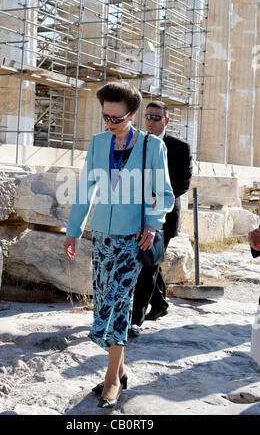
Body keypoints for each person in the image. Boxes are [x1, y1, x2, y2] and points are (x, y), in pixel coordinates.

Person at [63, 83, 174, 408]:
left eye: (116, 117)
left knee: (118, 303)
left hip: (133, 238)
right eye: (105, 117)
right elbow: (86, 190)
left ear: (132, 114)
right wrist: (73, 230)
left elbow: (163, 193)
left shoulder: (152, 147)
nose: (109, 123)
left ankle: (112, 379)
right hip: (102, 237)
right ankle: (120, 369)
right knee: (102, 303)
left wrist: (153, 225)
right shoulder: (98, 144)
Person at [130, 100, 192, 336]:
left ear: (167, 121)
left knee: (148, 266)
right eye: (148, 117)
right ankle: (161, 303)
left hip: (164, 215)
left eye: (156, 117)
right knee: (149, 259)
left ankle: (135, 320)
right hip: (137, 213)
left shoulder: (180, 147)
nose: (151, 121)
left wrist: (156, 197)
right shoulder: (137, 144)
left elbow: (182, 184)